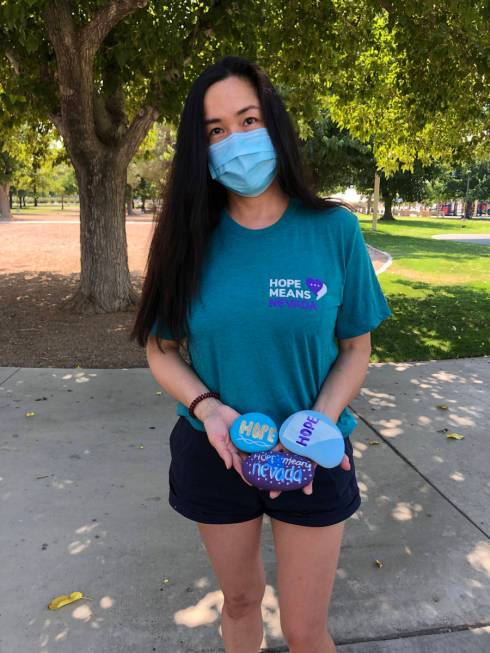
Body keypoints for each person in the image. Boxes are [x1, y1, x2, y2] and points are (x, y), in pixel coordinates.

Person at [131, 55, 392, 653]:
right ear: (201, 150)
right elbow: (161, 348)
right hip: (217, 450)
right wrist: (207, 407)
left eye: (248, 120)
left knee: (305, 630)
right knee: (242, 602)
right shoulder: (184, 238)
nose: (236, 142)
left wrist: (319, 424)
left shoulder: (334, 230)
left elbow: (355, 348)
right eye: (216, 131)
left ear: (274, 124)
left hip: (314, 454)